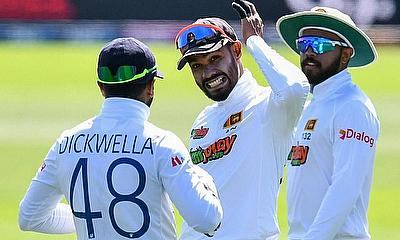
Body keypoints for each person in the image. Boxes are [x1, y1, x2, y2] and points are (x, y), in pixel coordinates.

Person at [18, 37, 223, 239]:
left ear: (101, 88)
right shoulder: (162, 144)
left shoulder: (66, 143)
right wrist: (205, 179)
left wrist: (97, 215)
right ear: (151, 87)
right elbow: (207, 220)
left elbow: (30, 217)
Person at [174, 0, 309, 239]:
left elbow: (296, 88)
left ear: (236, 51)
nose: (208, 73)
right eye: (197, 66)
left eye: (215, 59)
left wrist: (254, 41)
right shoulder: (203, 121)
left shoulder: (269, 108)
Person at [276, 6, 380, 240]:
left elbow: (347, 186)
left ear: (346, 55)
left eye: (321, 45)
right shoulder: (311, 105)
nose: (309, 53)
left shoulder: (353, 106)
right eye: (304, 44)